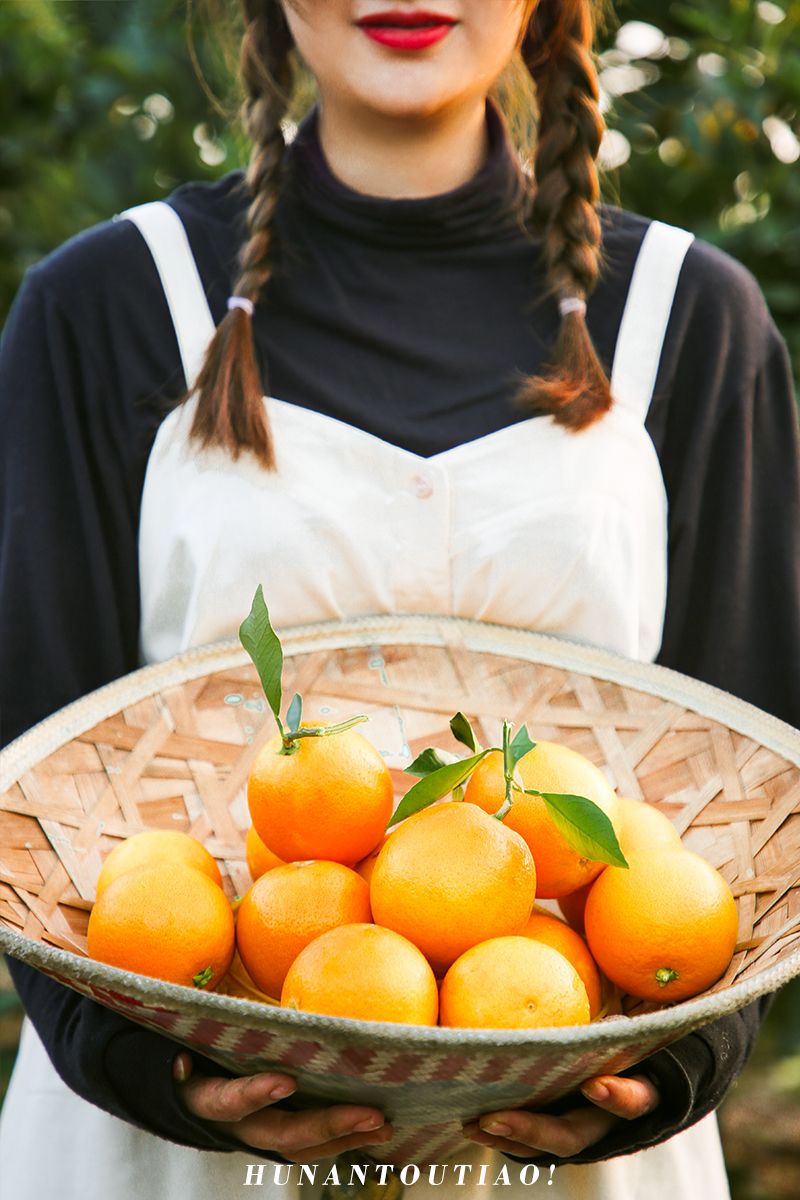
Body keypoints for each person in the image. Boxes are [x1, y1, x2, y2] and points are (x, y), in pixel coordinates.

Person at [0, 0, 798, 1197]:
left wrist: (665, 1076)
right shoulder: (109, 300)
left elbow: (750, 803)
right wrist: (148, 1069)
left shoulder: (687, 313)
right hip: (161, 1157)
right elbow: (29, 768)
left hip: (568, 1122)